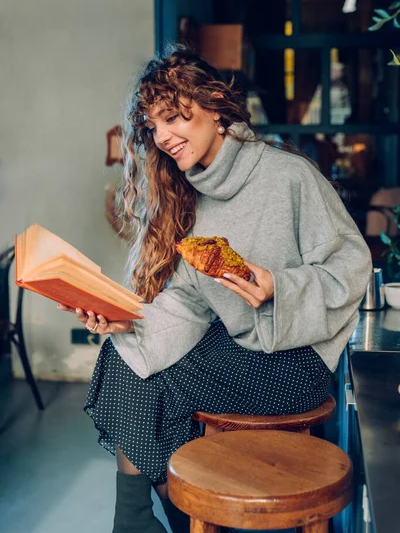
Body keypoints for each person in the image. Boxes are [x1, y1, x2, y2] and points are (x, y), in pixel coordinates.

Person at [59, 45, 372, 533]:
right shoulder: (190, 199)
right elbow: (185, 302)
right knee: (124, 356)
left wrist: (279, 287)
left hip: (298, 361)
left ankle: (159, 521)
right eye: (152, 126)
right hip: (232, 352)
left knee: (156, 381)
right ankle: (148, 519)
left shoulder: (289, 177)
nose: (161, 137)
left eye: (172, 118)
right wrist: (129, 321)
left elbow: (352, 266)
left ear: (214, 108)